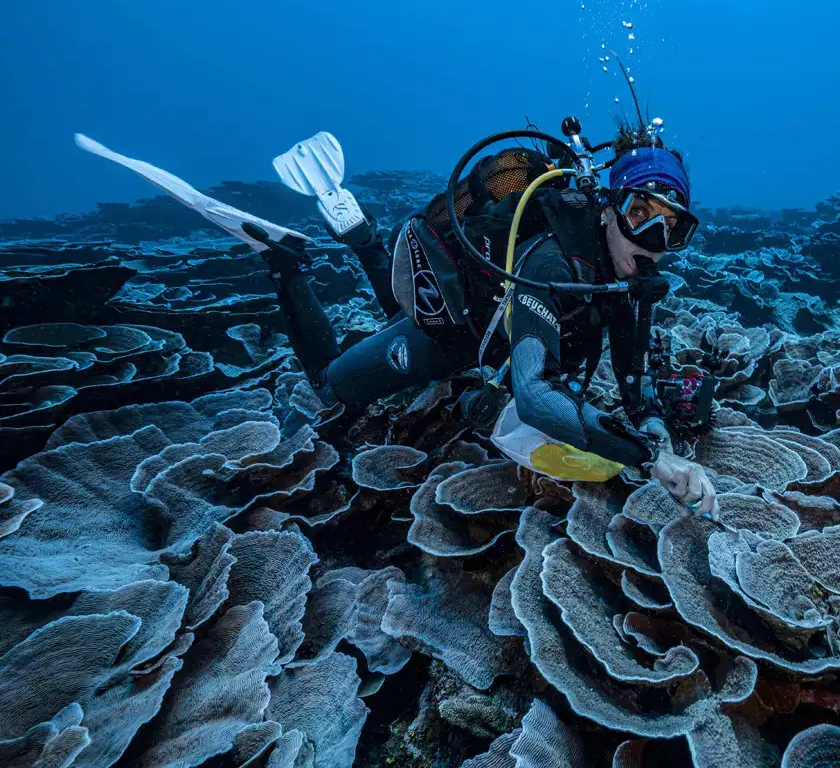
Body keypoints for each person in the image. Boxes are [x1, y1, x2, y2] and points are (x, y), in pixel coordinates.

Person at [252, 125, 718, 518]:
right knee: (330, 387)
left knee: (399, 314)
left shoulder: (630, 282)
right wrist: (653, 459)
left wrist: (664, 445)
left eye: (670, 227)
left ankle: (366, 240)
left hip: (490, 337)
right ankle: (284, 262)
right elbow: (535, 398)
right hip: (455, 334)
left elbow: (637, 391)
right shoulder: (553, 264)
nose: (653, 239)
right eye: (639, 213)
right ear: (609, 207)